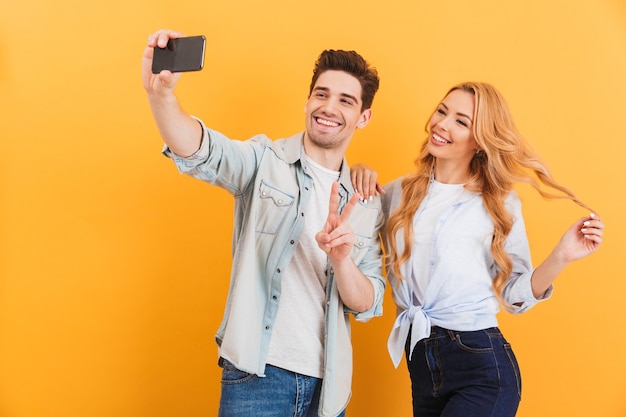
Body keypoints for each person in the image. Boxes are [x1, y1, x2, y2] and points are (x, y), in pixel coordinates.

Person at [142, 29, 385, 417]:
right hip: (258, 377)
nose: (329, 107)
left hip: (329, 390)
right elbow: (204, 151)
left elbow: (368, 301)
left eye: (346, 100)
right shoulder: (264, 161)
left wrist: (342, 259)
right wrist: (162, 97)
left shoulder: (365, 200)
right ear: (307, 102)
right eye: (321, 94)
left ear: (363, 117)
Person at [351, 81, 605, 417]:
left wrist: (561, 256)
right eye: (442, 111)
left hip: (480, 363)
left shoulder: (499, 204)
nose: (442, 124)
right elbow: (352, 241)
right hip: (422, 363)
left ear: (481, 140)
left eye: (461, 121)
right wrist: (354, 173)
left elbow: (514, 295)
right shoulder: (397, 193)